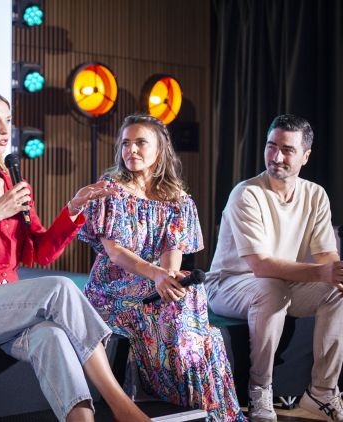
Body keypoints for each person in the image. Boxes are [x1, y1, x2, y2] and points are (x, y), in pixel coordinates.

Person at [0, 89, 150, 422]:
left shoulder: (13, 181)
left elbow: (38, 252)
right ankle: (120, 404)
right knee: (60, 288)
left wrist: (74, 208)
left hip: (6, 306)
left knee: (54, 336)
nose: (5, 130)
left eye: (8, 121)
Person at [78, 114, 245, 421]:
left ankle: (204, 409)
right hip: (110, 290)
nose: (132, 150)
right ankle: (189, 397)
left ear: (160, 149)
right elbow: (115, 254)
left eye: (141, 142)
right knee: (190, 323)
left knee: (191, 303)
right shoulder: (109, 191)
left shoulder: (178, 201)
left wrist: (168, 278)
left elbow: (172, 253)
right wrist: (157, 275)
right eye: (126, 143)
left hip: (149, 285)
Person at [206, 113, 343, 422]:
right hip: (229, 285)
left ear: (305, 156)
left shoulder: (315, 195)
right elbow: (260, 265)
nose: (276, 156)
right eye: (271, 146)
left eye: (287, 149)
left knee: (342, 292)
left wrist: (338, 273)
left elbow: (325, 254)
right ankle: (260, 389)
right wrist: (321, 272)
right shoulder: (247, 193)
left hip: (281, 283)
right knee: (270, 287)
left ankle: (322, 392)